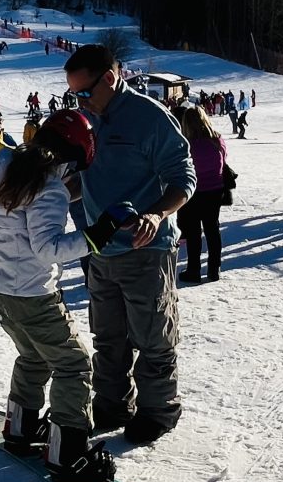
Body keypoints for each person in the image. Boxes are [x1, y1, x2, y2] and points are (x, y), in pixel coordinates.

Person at [0, 109, 131, 482]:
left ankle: (21, 427)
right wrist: (100, 232)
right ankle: (68, 452)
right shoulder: (49, 187)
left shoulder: (3, 165)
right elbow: (48, 249)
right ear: (70, 159)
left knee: (33, 356)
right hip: (32, 293)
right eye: (74, 169)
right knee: (74, 364)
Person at [63, 44, 196, 445]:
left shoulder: (149, 117)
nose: (81, 102)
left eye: (85, 93)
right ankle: (111, 404)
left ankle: (158, 410)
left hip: (145, 251)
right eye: (74, 96)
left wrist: (156, 215)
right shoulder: (87, 118)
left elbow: (183, 179)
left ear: (109, 77)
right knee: (107, 337)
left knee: (153, 336)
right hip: (99, 250)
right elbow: (82, 177)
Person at [176, 106, 226, 283]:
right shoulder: (217, 140)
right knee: (212, 229)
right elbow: (223, 159)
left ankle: (194, 270)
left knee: (193, 232)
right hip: (215, 189)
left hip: (194, 191)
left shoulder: (185, 143)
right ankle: (214, 269)